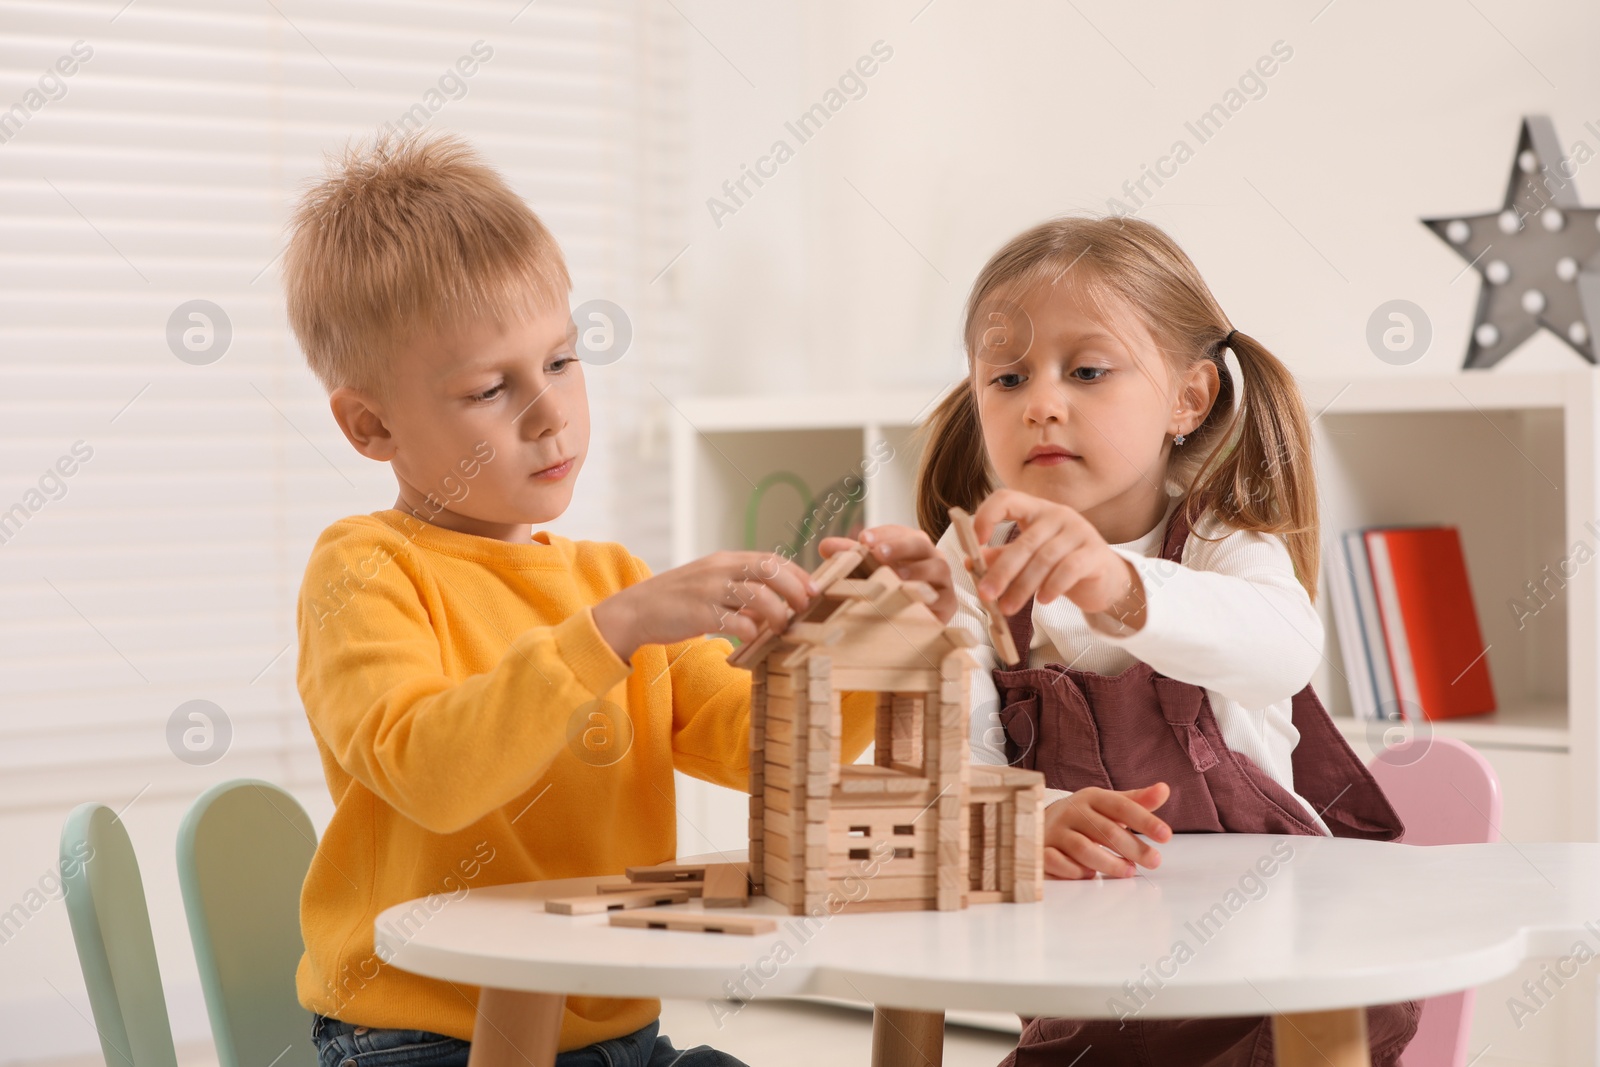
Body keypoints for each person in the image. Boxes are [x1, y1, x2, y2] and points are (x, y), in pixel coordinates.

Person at [283, 130, 951, 1067]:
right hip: (417, 1035)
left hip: (620, 1038)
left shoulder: (607, 578)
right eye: (489, 388)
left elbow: (764, 750)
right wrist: (613, 632)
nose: (550, 412)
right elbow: (432, 771)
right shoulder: (364, 569)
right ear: (371, 425)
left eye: (562, 361)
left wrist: (869, 640)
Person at [918, 215, 1420, 1067]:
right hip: (1085, 986)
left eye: (1087, 370)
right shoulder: (968, 567)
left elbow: (1283, 649)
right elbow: (948, 762)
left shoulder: (1227, 539)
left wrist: (1121, 587)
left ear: (1187, 399)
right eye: (1006, 377)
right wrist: (1030, 817)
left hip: (1274, 973)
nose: (1041, 400)